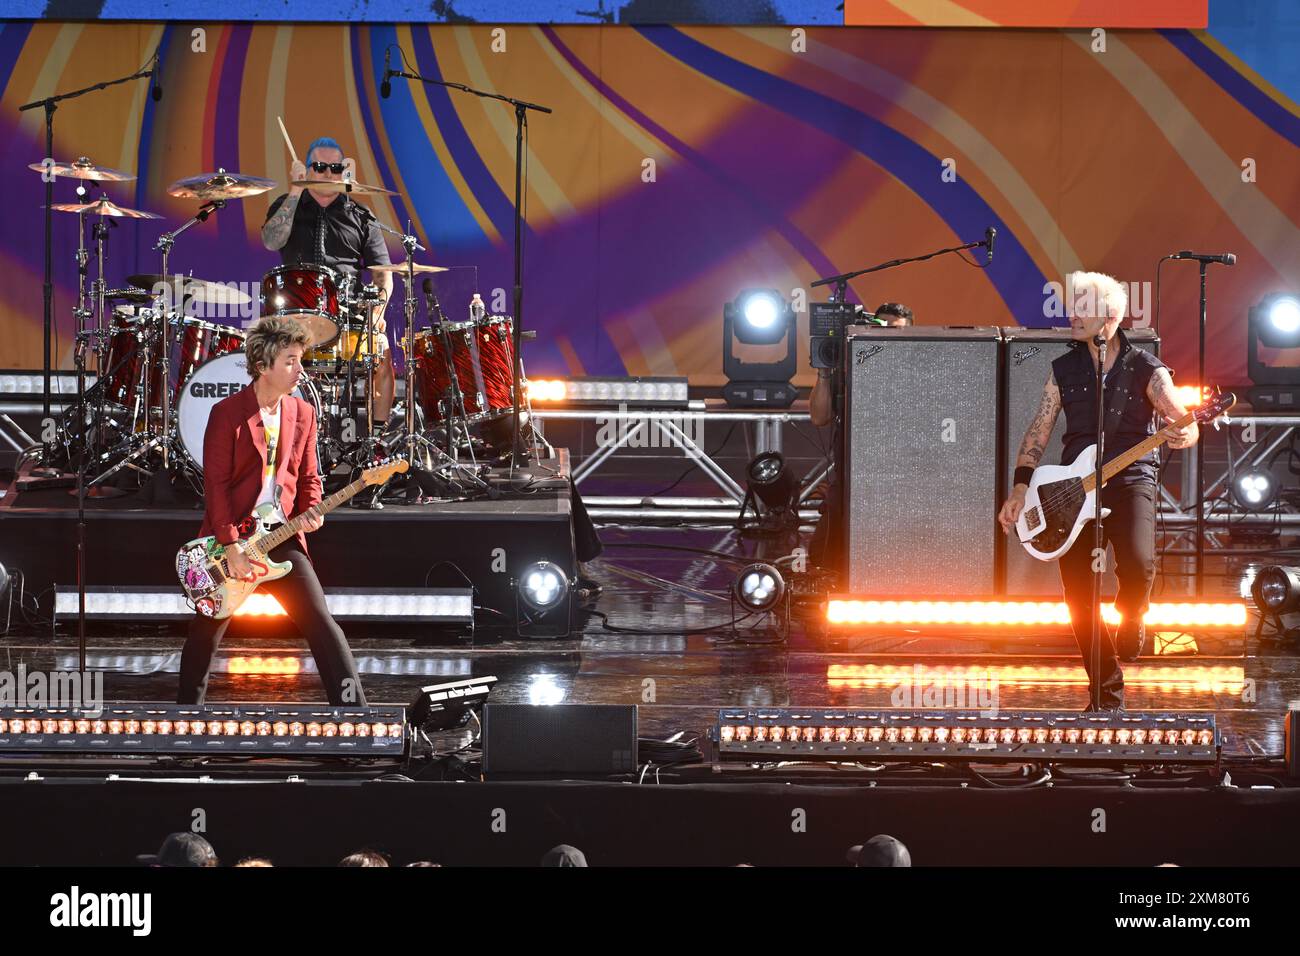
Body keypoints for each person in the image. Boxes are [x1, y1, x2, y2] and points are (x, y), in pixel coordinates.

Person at [998, 272, 1198, 711]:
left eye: (1082, 306)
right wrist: (1019, 489)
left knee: (1140, 564)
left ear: (1108, 316)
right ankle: (1105, 697)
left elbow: (1182, 418)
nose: (1073, 313)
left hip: (1130, 480)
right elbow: (1038, 430)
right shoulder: (1063, 369)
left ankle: (1132, 618)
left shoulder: (1147, 368)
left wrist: (1188, 432)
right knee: (1080, 597)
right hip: (1073, 486)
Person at [177, 317, 367, 706]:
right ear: (263, 366)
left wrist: (314, 509)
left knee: (323, 626)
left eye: (301, 360)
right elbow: (216, 487)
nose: (301, 370)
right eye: (291, 361)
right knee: (205, 633)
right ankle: (185, 717)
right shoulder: (227, 413)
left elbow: (309, 474)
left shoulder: (303, 412)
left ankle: (355, 717)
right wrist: (230, 545)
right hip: (229, 542)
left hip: (280, 537)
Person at [262, 136, 396, 427]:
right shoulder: (286, 204)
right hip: (295, 316)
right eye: (319, 167)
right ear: (307, 170)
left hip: (348, 313)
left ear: (344, 172)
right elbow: (271, 241)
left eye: (335, 168)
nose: (327, 174)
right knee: (268, 358)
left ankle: (377, 441)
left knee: (383, 356)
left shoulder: (359, 215)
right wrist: (296, 191)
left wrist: (377, 312)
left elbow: (383, 272)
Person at [807, 302, 914, 576]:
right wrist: (825, 371)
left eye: (897, 332)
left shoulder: (918, 372)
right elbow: (819, 417)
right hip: (852, 480)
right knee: (821, 558)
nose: (888, 336)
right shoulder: (848, 369)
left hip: (902, 481)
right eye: (881, 329)